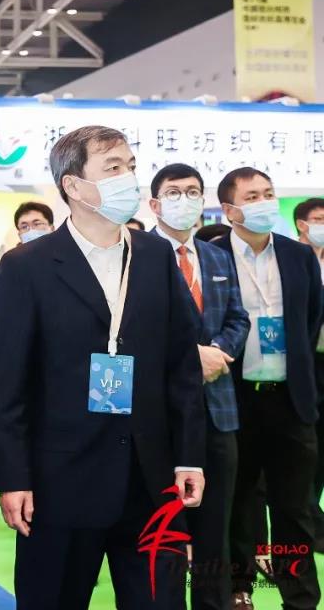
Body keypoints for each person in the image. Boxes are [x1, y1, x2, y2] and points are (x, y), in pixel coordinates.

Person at [0, 125, 205, 610]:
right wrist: (13, 476)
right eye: (112, 168)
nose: (128, 177)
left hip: (150, 477)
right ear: (73, 185)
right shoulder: (26, 266)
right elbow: (8, 384)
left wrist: (189, 456)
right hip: (60, 480)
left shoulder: (154, 255)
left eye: (130, 166)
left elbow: (182, 367)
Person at [215, 169, 322, 610]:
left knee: (294, 507)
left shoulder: (298, 256)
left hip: (290, 399)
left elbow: (311, 318)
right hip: (234, 398)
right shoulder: (214, 255)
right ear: (230, 210)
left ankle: (299, 597)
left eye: (268, 193)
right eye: (252, 196)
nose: (264, 202)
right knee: (237, 501)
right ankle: (238, 589)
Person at [149, 164, 251, 610]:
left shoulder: (216, 256)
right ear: (154, 204)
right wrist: (192, 357)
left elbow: (238, 319)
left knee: (215, 528)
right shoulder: (139, 255)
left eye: (193, 191)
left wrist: (216, 353)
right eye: (174, 192)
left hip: (217, 408)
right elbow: (136, 331)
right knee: (165, 529)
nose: (184, 200)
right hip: (160, 415)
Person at [292, 198, 324, 552]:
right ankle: (310, 520)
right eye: (319, 219)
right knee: (304, 448)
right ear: (302, 224)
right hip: (304, 363)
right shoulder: (293, 260)